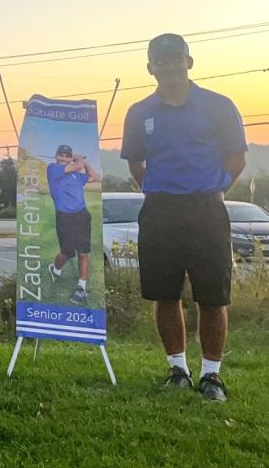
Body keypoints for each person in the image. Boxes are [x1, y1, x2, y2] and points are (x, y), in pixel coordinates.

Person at [121, 33, 246, 402]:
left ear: (189, 62)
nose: (170, 66)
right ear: (151, 68)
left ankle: (211, 376)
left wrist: (216, 188)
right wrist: (159, 189)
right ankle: (178, 369)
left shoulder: (219, 106)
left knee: (212, 296)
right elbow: (134, 162)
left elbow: (237, 158)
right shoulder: (139, 112)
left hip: (207, 208)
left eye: (177, 58)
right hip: (160, 210)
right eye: (162, 61)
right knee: (165, 294)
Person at [45, 145, 100, 304]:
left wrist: (85, 163)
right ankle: (55, 269)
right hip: (64, 216)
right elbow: (77, 165)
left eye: (66, 156)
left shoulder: (76, 175)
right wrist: (79, 159)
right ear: (56, 156)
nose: (63, 158)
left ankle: (81, 287)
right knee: (67, 252)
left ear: (69, 158)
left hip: (81, 215)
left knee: (83, 252)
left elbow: (94, 177)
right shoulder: (53, 169)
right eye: (60, 155)